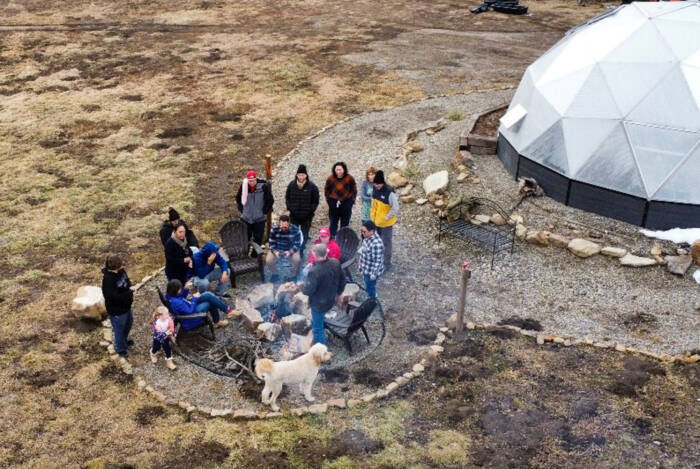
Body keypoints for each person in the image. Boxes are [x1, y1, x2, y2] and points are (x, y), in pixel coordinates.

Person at [301, 243, 346, 345]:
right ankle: (320, 322)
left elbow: (307, 291)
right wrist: (338, 293)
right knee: (318, 319)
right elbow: (343, 280)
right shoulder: (335, 262)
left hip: (319, 305)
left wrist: (303, 285)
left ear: (316, 255)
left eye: (313, 254)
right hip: (331, 299)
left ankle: (322, 350)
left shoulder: (314, 272)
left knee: (317, 329)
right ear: (326, 253)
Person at [101, 254, 136, 357]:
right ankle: (120, 348)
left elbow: (126, 280)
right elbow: (113, 298)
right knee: (119, 329)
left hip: (126, 307)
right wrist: (129, 292)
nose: (123, 266)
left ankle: (124, 340)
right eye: (121, 265)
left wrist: (130, 286)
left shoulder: (121, 271)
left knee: (128, 324)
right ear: (115, 267)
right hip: (117, 311)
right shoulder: (108, 280)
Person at [165, 279, 231, 329]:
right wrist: (194, 298)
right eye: (180, 289)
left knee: (207, 295)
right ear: (175, 290)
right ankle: (217, 321)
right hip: (191, 316)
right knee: (210, 303)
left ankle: (227, 310)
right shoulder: (176, 302)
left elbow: (181, 297)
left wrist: (185, 289)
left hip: (189, 305)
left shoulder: (170, 295)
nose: (181, 289)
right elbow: (189, 311)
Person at [285, 164, 319, 255]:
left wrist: (310, 211)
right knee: (293, 234)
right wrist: (290, 208)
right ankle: (293, 250)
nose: (301, 177)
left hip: (307, 216)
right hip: (294, 215)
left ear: (306, 175)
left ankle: (301, 250)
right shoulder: (291, 185)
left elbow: (315, 201)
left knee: (304, 235)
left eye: (303, 175)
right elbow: (287, 198)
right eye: (299, 175)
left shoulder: (312, 187)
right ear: (297, 175)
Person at [236, 170, 274, 247]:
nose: (251, 182)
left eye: (253, 180)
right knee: (245, 238)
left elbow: (270, 200)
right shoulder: (244, 187)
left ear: (256, 179)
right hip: (246, 218)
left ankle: (255, 256)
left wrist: (265, 210)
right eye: (250, 181)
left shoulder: (263, 187)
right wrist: (242, 210)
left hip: (259, 219)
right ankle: (245, 255)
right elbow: (238, 198)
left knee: (258, 239)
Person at [369, 170, 399, 269]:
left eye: (378, 184)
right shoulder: (375, 188)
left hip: (386, 224)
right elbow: (373, 204)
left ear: (382, 182)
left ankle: (387, 263)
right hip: (375, 222)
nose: (376, 186)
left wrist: (386, 217)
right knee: (377, 241)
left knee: (386, 243)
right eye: (375, 184)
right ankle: (377, 259)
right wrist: (372, 217)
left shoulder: (389, 192)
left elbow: (395, 207)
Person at [324, 162, 357, 238]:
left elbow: (354, 190)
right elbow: (326, 190)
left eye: (340, 169)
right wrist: (329, 202)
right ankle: (332, 239)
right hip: (333, 203)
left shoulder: (349, 178)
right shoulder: (331, 178)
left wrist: (351, 202)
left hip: (346, 203)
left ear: (344, 169)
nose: (338, 171)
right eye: (337, 170)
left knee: (345, 223)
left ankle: (342, 239)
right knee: (333, 223)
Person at [266, 214, 303, 282]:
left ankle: (293, 276)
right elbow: (271, 244)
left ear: (289, 223)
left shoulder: (296, 230)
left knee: (297, 260)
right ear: (279, 223)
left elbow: (297, 245)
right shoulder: (274, 229)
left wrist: (290, 252)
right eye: (282, 226)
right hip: (277, 249)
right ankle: (275, 274)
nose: (283, 228)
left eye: (285, 227)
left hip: (290, 250)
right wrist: (275, 252)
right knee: (269, 261)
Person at [359, 220, 384, 298]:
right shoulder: (367, 237)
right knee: (367, 284)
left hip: (370, 272)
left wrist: (374, 274)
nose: (362, 233)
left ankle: (372, 299)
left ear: (371, 231)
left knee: (370, 286)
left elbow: (378, 261)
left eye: (364, 231)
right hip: (365, 268)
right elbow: (364, 247)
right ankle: (369, 293)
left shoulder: (376, 244)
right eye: (361, 231)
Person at [150, 306, 176, 370]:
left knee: (167, 349)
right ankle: (152, 353)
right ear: (159, 316)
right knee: (156, 347)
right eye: (166, 314)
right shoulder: (156, 323)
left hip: (166, 338)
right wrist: (166, 333)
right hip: (158, 338)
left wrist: (172, 333)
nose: (168, 315)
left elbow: (172, 327)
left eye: (168, 313)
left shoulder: (169, 319)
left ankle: (169, 362)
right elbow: (159, 333)